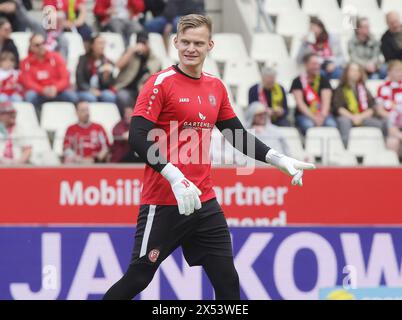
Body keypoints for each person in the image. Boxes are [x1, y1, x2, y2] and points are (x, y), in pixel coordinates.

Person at [103, 14, 315, 301]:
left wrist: (279, 159)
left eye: (198, 43)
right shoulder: (160, 83)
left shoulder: (215, 86)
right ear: (175, 42)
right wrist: (174, 175)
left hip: (204, 201)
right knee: (139, 277)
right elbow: (137, 136)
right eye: (186, 42)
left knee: (227, 280)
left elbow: (237, 135)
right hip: (164, 199)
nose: (191, 48)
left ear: (210, 45)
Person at [19, 33, 77, 116]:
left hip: (57, 91)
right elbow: (27, 82)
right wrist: (42, 90)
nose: (41, 46)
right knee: (30, 96)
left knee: (72, 96)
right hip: (38, 93)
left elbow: (65, 78)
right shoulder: (25, 62)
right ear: (31, 47)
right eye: (37, 45)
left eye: (43, 43)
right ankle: (36, 123)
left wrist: (55, 88)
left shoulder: (56, 57)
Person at [333, 63, 385, 146]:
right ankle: (345, 148)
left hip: (363, 117)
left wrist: (360, 117)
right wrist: (353, 117)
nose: (355, 73)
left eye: (358, 70)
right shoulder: (340, 89)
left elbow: (372, 107)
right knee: (344, 122)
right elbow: (338, 108)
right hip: (347, 117)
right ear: (346, 72)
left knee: (380, 124)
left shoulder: (364, 89)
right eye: (352, 70)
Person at [114, 31, 161, 115]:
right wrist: (131, 51)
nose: (141, 45)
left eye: (143, 43)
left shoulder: (154, 60)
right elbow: (118, 65)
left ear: (148, 43)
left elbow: (157, 79)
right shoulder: (130, 53)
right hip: (126, 89)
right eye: (139, 42)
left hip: (144, 91)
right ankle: (127, 121)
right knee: (122, 96)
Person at [291, 53, 337, 135]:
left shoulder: (324, 80)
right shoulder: (297, 81)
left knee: (331, 124)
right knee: (308, 125)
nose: (316, 66)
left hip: (323, 115)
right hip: (304, 115)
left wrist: (322, 117)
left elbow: (326, 102)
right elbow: (300, 103)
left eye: (318, 64)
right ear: (306, 64)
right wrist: (314, 118)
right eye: (313, 64)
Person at [76, 34, 116, 104]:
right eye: (99, 43)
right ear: (92, 45)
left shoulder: (108, 62)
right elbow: (80, 80)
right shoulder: (83, 59)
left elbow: (109, 84)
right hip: (85, 90)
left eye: (103, 44)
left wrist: (106, 76)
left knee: (109, 96)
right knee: (91, 98)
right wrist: (90, 90)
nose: (102, 46)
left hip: (101, 91)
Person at [0, 101, 31, 165]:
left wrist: (18, 162)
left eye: (14, 113)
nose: (13, 115)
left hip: (17, 165)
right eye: (9, 113)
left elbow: (27, 150)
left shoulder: (20, 129)